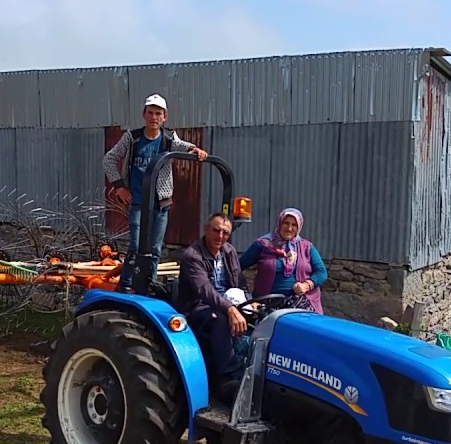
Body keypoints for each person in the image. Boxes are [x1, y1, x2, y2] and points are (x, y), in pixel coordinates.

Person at [102, 94, 209, 292]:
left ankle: (148, 286)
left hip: (160, 204)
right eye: (150, 113)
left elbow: (183, 146)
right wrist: (119, 187)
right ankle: (125, 286)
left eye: (158, 113)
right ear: (144, 115)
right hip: (138, 202)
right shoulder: (132, 138)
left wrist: (195, 149)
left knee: (155, 249)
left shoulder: (168, 138)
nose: (154, 117)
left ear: (164, 117)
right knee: (136, 246)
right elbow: (109, 160)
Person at [176, 213, 251, 390]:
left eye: (225, 233)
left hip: (228, 301)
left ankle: (252, 367)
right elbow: (205, 291)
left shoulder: (229, 251)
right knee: (221, 319)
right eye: (216, 230)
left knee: (262, 316)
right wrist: (231, 309)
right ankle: (226, 377)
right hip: (198, 306)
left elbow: (240, 282)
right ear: (206, 229)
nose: (220, 236)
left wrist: (250, 302)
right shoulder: (192, 255)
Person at [239, 207, 328, 313]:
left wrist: (307, 285)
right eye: (286, 223)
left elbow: (321, 272)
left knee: (303, 327)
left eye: (294, 225)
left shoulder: (306, 247)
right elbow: (237, 267)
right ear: (280, 223)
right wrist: (247, 297)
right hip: (268, 303)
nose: (289, 228)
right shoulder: (263, 245)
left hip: (301, 302)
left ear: (299, 227)